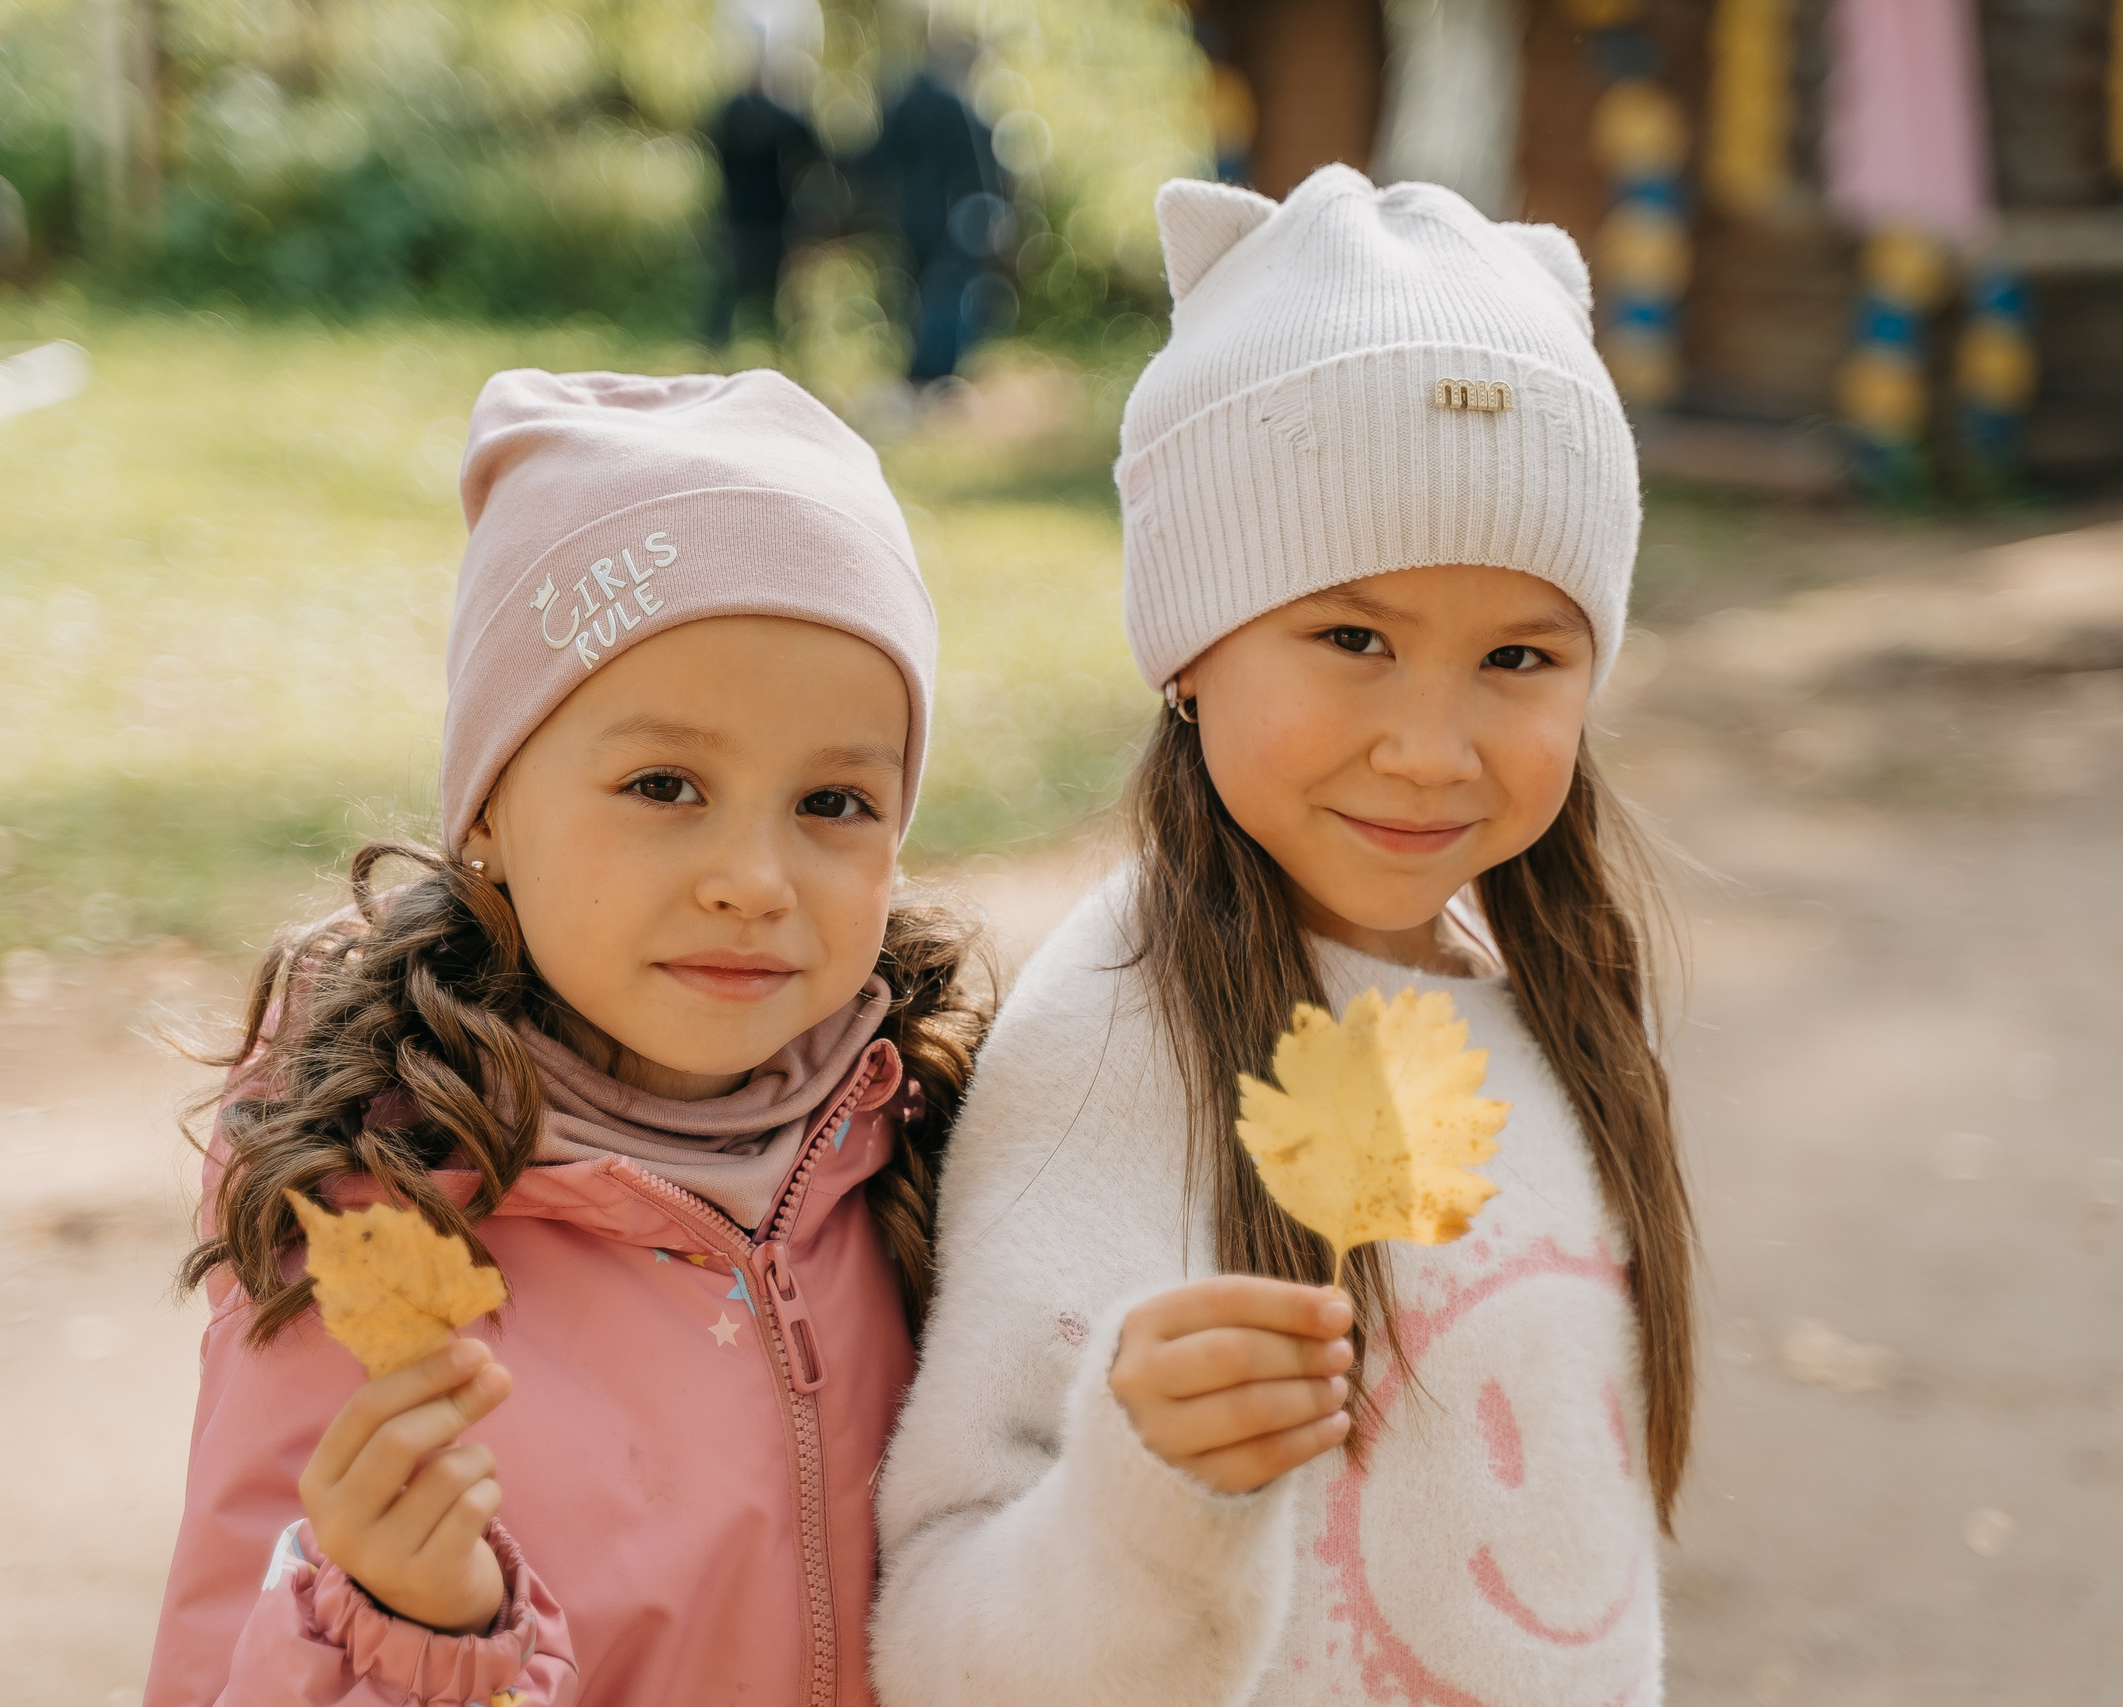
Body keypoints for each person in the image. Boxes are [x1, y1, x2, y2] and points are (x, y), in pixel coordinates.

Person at [869, 165, 1695, 1706]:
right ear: (1190, 648)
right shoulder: (1109, 1047)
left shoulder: (1557, 1014)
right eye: (1354, 638)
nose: (1431, 747)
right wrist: (1141, 1506)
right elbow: (934, 1635)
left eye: (1519, 656)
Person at [142, 366, 986, 1704]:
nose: (753, 879)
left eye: (833, 801)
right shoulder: (367, 1225)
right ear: (488, 807)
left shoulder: (937, 1145)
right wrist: (414, 1634)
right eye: (664, 784)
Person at [857, 33, 1002, 386]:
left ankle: (923, 374)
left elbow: (877, 159)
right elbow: (977, 173)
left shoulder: (905, 101)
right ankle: (934, 374)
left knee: (921, 294)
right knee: (947, 294)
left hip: (911, 216)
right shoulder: (960, 107)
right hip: (953, 220)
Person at [704, 70, 827, 347]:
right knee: (745, 297)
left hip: (743, 221)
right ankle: (769, 349)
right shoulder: (775, 116)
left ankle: (726, 349)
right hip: (761, 221)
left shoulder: (729, 114)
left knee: (737, 297)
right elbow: (811, 144)